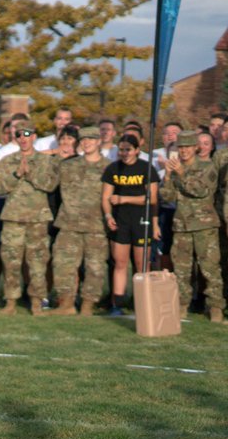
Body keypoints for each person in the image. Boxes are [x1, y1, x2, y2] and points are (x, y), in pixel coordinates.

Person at [0, 123, 58, 315]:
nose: (23, 138)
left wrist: (31, 174)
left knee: (37, 262)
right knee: (11, 261)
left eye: (27, 134)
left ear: (34, 137)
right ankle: (11, 301)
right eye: (19, 135)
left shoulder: (45, 161)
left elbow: (50, 185)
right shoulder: (7, 160)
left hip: (37, 219)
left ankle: (37, 301)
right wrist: (17, 174)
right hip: (13, 218)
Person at [161, 130, 224, 322]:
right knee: (181, 269)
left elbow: (201, 191)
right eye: (181, 147)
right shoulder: (175, 167)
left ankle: (215, 306)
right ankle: (181, 304)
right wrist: (167, 176)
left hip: (204, 226)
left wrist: (181, 173)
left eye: (188, 147)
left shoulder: (207, 167)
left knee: (209, 268)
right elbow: (168, 197)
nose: (184, 151)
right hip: (182, 226)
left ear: (195, 147)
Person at [51, 127, 111, 316]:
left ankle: (87, 306)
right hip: (69, 224)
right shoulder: (67, 165)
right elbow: (48, 183)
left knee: (95, 267)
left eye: (91, 139)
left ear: (99, 141)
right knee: (63, 264)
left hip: (96, 225)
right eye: (83, 139)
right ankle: (66, 304)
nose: (87, 143)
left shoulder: (109, 167)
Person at [102, 134, 160, 316]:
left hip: (142, 220)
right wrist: (108, 214)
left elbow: (151, 199)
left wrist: (123, 198)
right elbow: (105, 197)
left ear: (136, 150)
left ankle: (143, 303)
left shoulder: (147, 169)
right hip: (121, 221)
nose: (124, 153)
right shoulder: (112, 169)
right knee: (120, 263)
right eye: (121, 149)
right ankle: (117, 304)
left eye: (128, 149)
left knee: (142, 265)